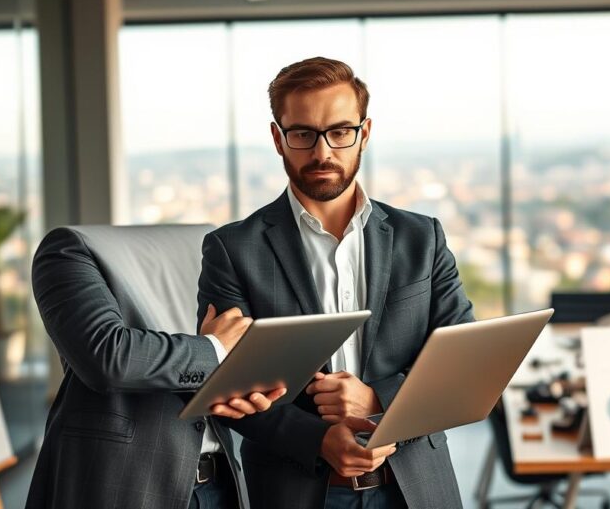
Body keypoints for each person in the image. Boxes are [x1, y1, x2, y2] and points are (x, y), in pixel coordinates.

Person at [197, 57, 475, 509]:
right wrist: (319, 439)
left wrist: (375, 399)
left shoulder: (422, 238)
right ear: (277, 138)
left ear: (364, 133)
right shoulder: (232, 249)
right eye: (303, 133)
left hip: (417, 489)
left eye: (340, 132)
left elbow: (462, 368)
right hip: (296, 491)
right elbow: (227, 389)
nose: (322, 152)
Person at [26, 226, 284, 509]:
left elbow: (239, 342)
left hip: (220, 484)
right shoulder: (64, 250)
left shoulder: (212, 244)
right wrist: (215, 348)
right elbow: (110, 357)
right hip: (126, 487)